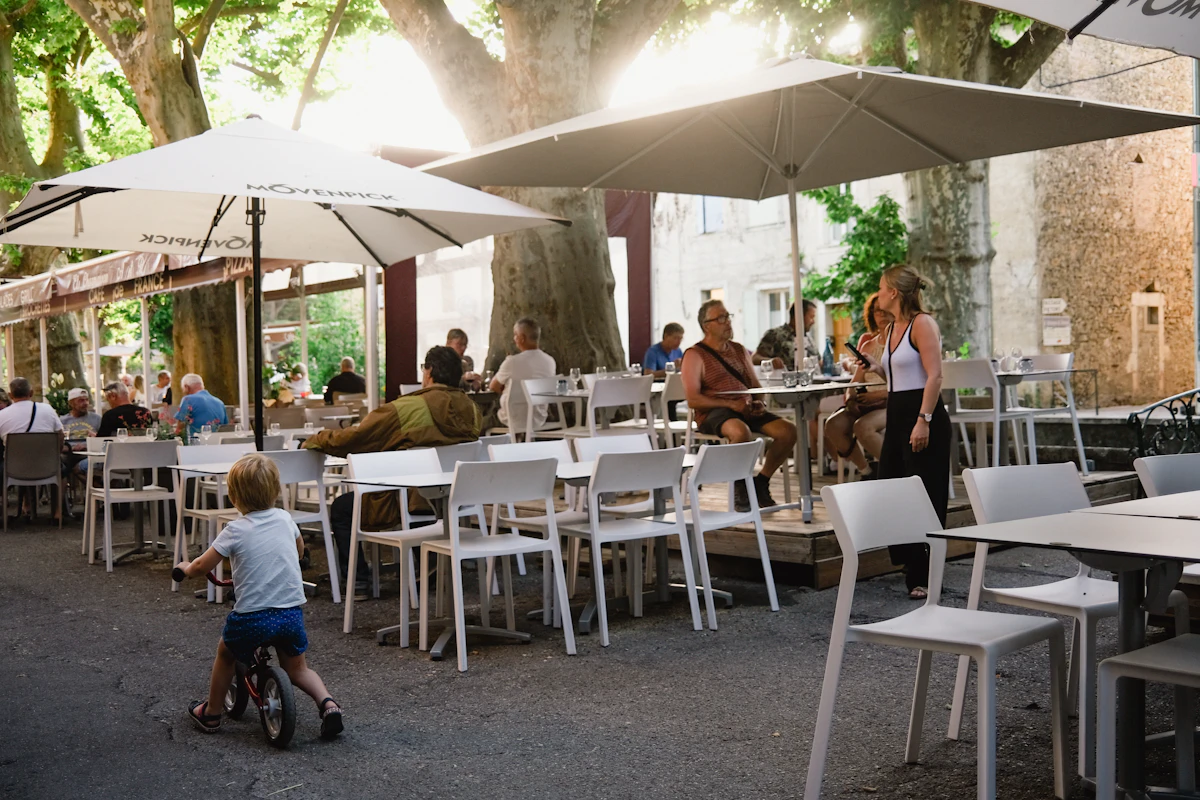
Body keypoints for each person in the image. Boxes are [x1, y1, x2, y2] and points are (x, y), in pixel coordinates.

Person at [175, 453, 343, 738]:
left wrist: (186, 569)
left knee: (226, 653)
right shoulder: (285, 519)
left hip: (253, 617)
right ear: (276, 491)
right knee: (298, 668)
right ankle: (328, 704)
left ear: (234, 496)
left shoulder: (235, 530)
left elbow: (203, 565)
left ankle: (212, 712)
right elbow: (299, 550)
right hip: (290, 613)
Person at [305, 346, 480, 597]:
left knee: (343, 508)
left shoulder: (409, 407)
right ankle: (426, 567)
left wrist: (316, 439)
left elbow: (356, 439)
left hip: (406, 499)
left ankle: (359, 582)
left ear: (428, 371)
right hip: (453, 501)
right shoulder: (473, 410)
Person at [856, 265, 951, 600]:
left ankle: (924, 573)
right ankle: (910, 563)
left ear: (894, 292)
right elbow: (899, 375)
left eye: (881, 288)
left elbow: (934, 376)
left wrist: (923, 419)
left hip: (921, 414)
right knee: (893, 490)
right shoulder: (893, 328)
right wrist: (876, 366)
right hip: (898, 413)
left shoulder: (921, 323)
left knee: (924, 494)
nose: (878, 294)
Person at [681, 300, 797, 512]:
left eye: (728, 316)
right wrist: (729, 404)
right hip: (714, 412)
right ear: (707, 325)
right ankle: (740, 487)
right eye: (721, 318)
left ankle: (761, 482)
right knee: (740, 431)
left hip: (744, 408)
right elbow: (693, 400)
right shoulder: (694, 354)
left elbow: (755, 386)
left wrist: (759, 402)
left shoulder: (739, 350)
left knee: (788, 431)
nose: (728, 322)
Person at [822, 294, 891, 477]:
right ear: (872, 315)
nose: (882, 315)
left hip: (891, 402)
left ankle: (896, 472)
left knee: (862, 426)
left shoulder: (900, 343)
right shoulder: (868, 345)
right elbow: (858, 378)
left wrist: (877, 396)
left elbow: (904, 385)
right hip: (866, 402)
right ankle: (867, 471)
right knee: (833, 424)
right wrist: (850, 395)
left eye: (885, 310)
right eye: (877, 311)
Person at [489, 318, 556, 432]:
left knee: (480, 423)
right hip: (539, 418)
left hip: (510, 419)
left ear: (522, 338)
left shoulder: (512, 362)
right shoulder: (550, 361)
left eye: (515, 335)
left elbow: (493, 386)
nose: (514, 339)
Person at [753, 299, 820, 368]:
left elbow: (819, 362)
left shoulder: (809, 339)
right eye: (811, 317)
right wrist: (771, 362)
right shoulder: (774, 335)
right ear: (798, 316)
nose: (813, 322)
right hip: (783, 378)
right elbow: (755, 358)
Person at [0, 377, 64, 441]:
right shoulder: (48, 409)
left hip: (15, 451)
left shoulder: (2, 415)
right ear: (31, 393)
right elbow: (60, 435)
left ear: (10, 396)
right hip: (46, 450)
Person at [174, 373, 228, 437]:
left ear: (186, 387)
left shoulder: (188, 399)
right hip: (217, 443)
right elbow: (225, 427)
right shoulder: (220, 402)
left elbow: (180, 427)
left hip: (196, 443)